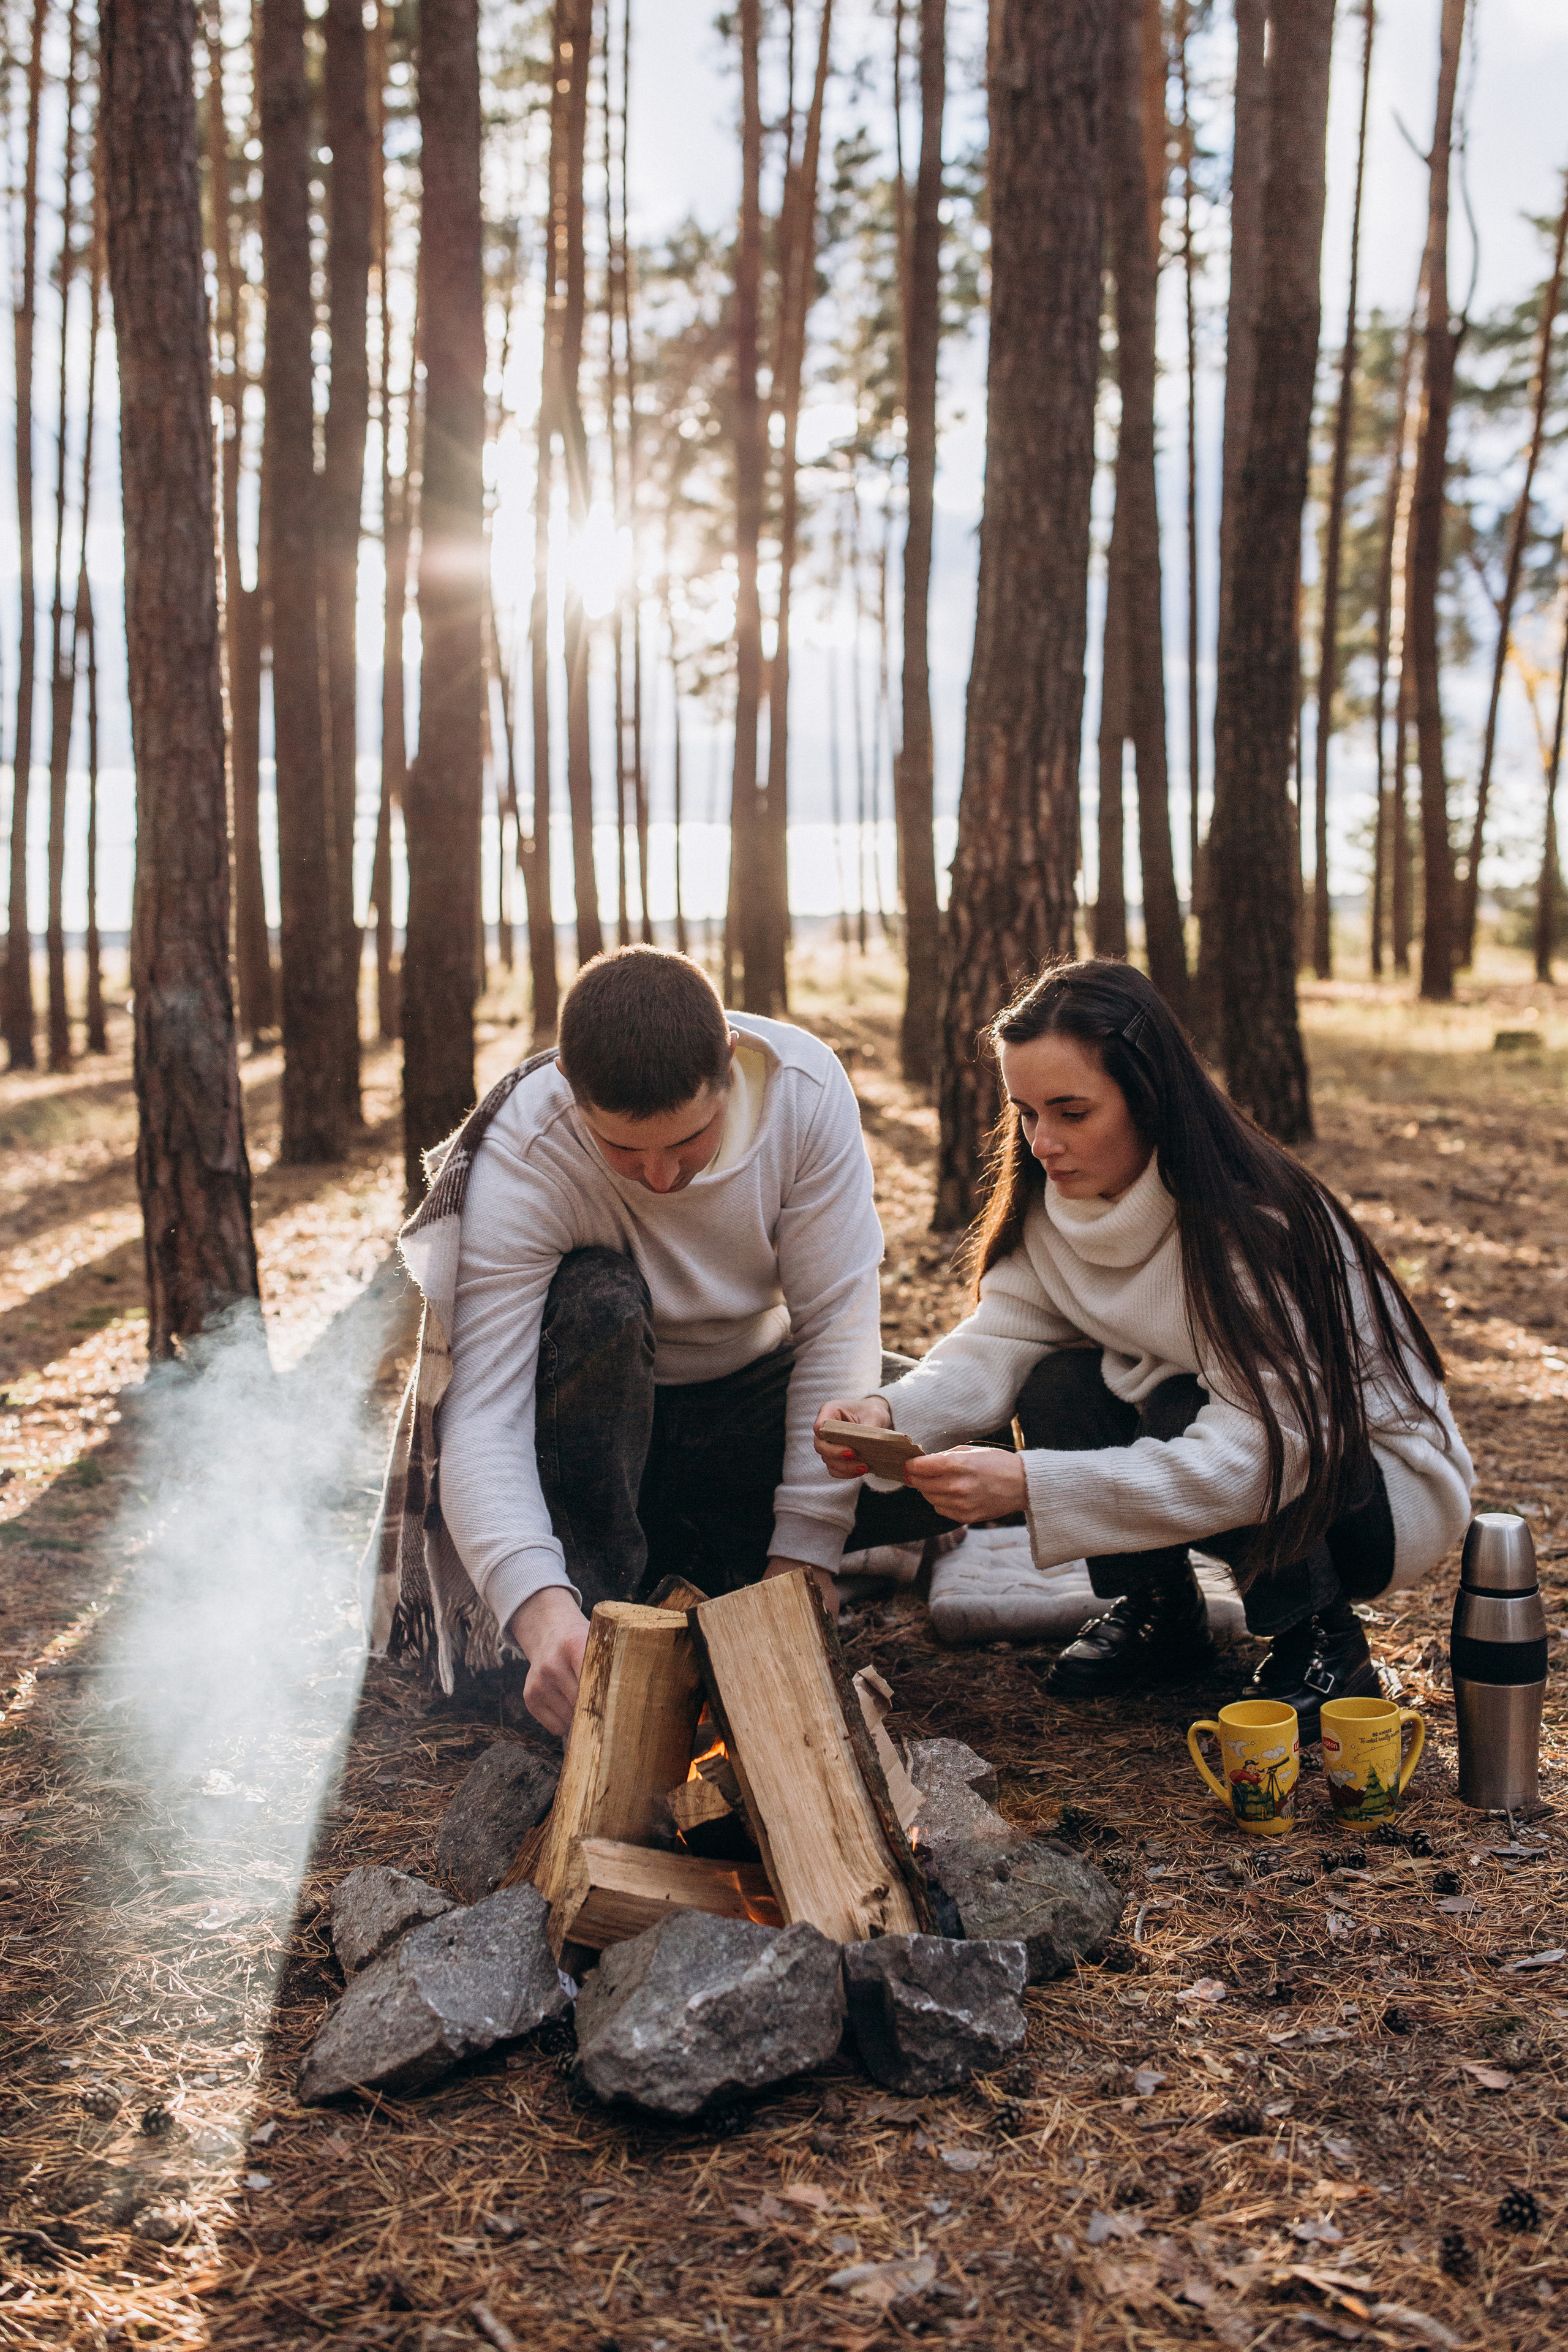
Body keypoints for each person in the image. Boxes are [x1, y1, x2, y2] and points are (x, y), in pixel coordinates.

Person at [813, 959, 1472, 1741]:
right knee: (1058, 1383)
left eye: (1071, 1111)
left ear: (1149, 1096)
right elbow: (997, 1341)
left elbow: (1259, 1454)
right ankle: (1162, 1613)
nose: (1043, 1141)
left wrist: (1030, 1483)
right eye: (1025, 1111)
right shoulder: (1057, 1205)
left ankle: (1322, 1643)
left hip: (1373, 1495)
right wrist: (891, 1409)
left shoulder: (1249, 1225)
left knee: (1178, 1403)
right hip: (1241, 1446)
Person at [364, 946, 891, 1736]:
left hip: (746, 1403)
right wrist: (541, 1619)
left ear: (730, 1064)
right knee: (597, 1300)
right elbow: (481, 1415)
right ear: (570, 1095)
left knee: (939, 1433)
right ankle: (600, 1610)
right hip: (588, 1439)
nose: (659, 1178)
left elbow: (837, 1330)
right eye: (623, 1151)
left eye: (688, 1142)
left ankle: (714, 1558)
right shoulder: (527, 1147)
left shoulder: (804, 1095)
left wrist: (805, 1559)